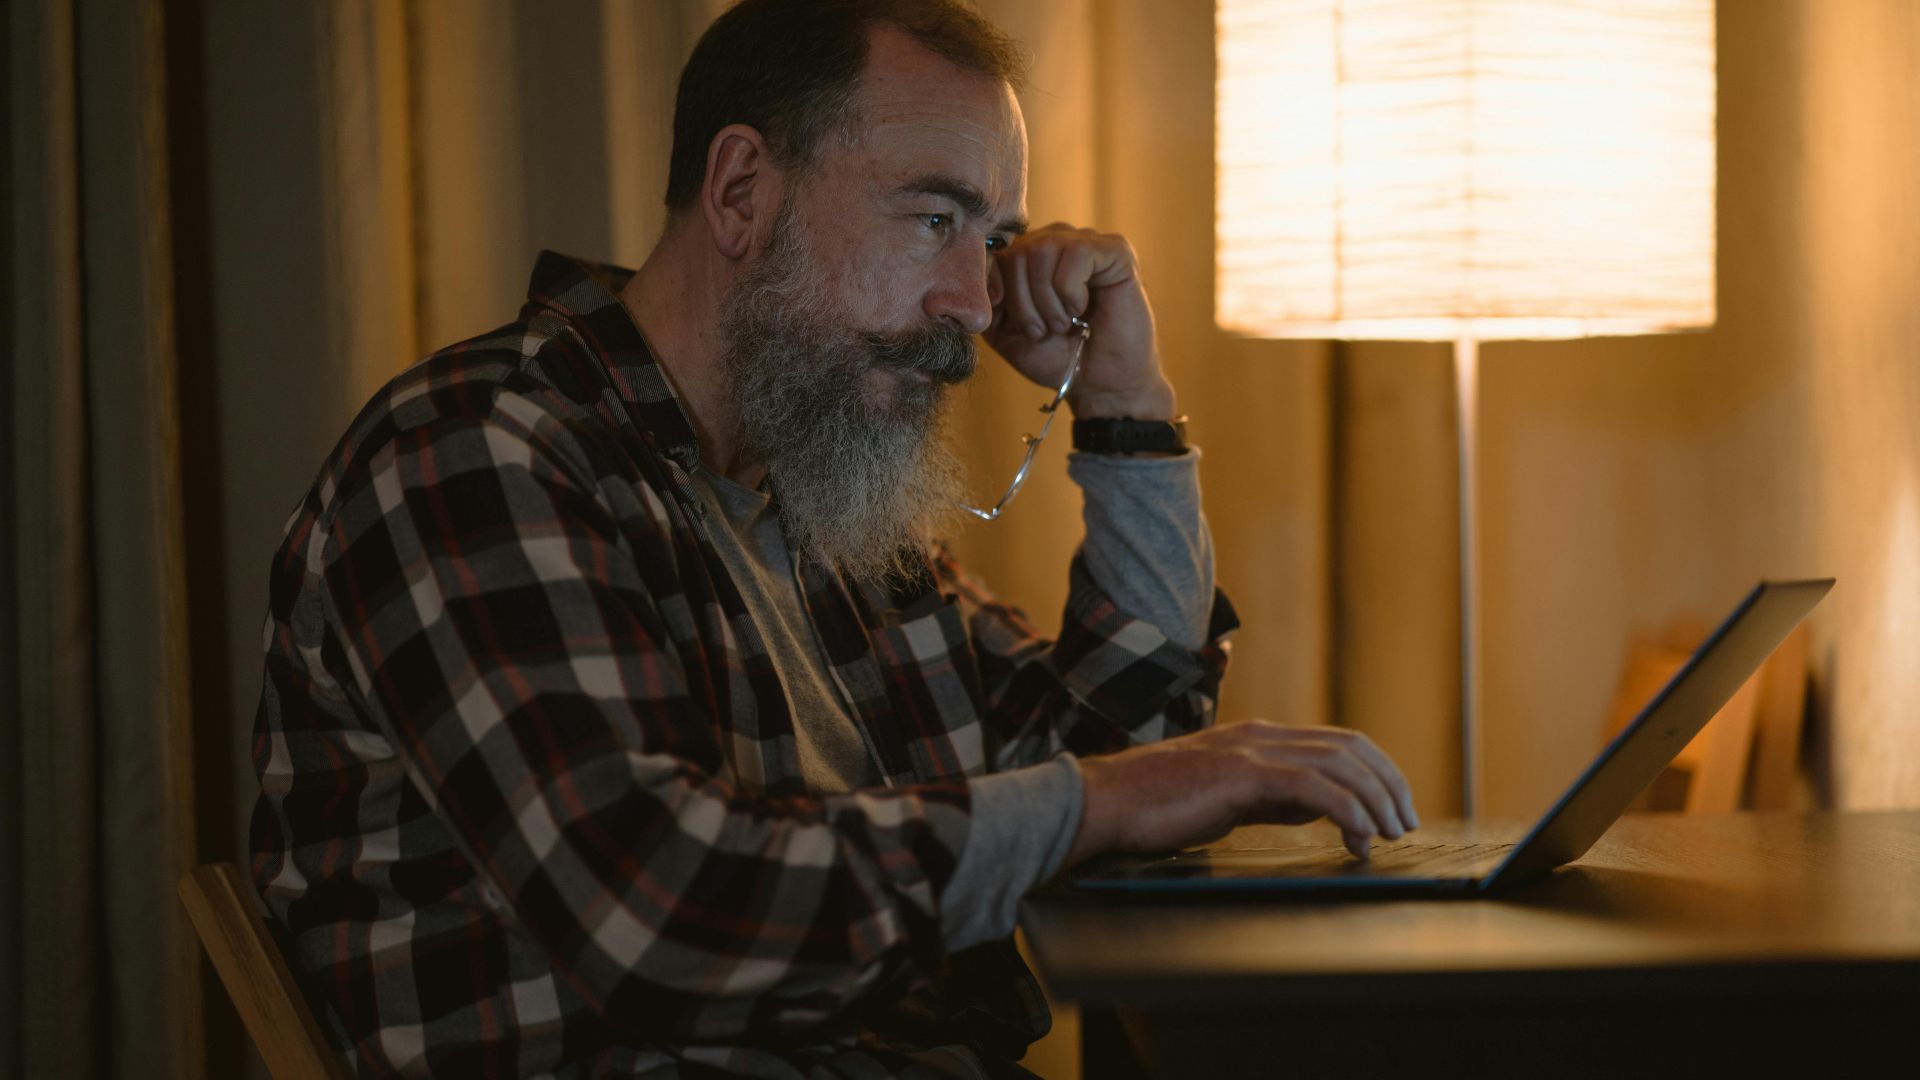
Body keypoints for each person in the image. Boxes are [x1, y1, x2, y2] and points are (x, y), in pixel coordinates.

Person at [249, 1, 1419, 1075]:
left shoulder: (821, 482)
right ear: (742, 191)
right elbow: (662, 915)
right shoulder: (478, 455)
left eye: (995, 235)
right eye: (933, 217)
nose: (975, 297)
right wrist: (1108, 798)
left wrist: (1127, 411)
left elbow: (1123, 761)